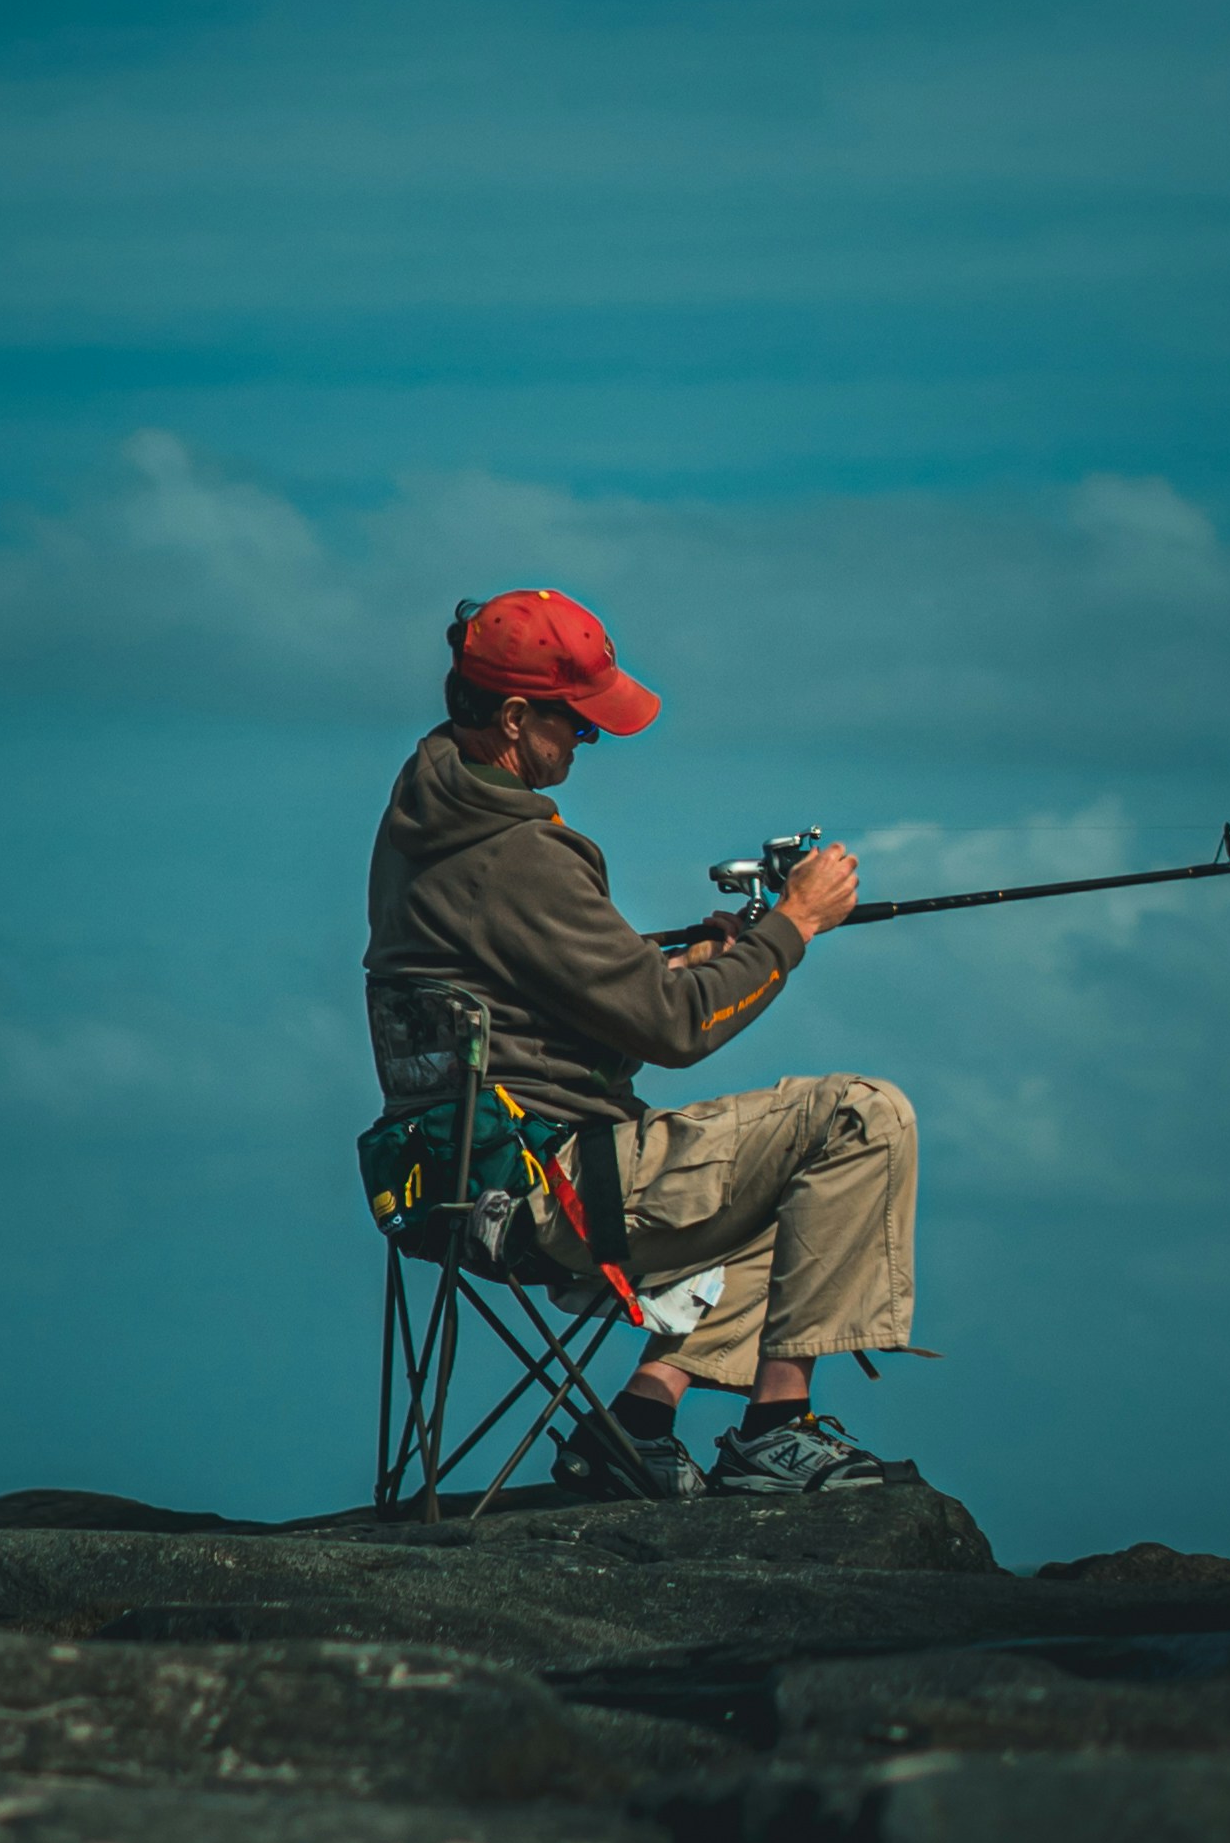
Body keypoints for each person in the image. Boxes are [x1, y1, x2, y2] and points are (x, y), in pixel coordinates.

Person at [363, 586, 919, 1500]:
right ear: (511, 717)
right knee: (859, 1120)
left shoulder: (423, 817)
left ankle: (642, 1420)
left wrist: (691, 964)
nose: (588, 742)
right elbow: (672, 1029)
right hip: (557, 1191)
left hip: (457, 1184)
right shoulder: (520, 853)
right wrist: (795, 924)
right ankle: (777, 1431)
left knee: (790, 1171)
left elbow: (545, 1009)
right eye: (574, 726)